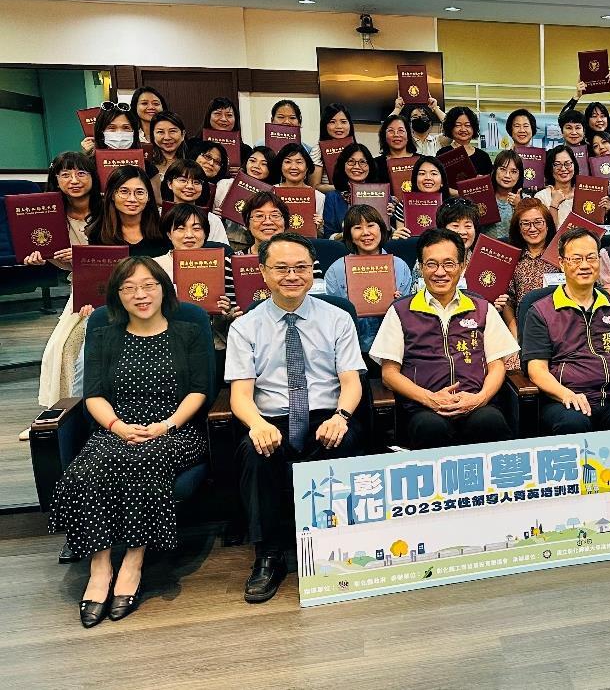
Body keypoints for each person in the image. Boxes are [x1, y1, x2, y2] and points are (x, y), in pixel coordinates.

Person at [49, 256, 209, 627]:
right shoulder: (104, 333)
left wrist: (166, 425)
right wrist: (118, 426)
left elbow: (200, 391)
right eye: (130, 288)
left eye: (149, 285)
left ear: (164, 289)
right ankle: (100, 567)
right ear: (117, 295)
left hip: (176, 430)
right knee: (85, 473)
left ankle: (133, 562)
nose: (141, 295)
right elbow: (93, 394)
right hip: (116, 428)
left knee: (144, 461)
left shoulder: (187, 331)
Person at [225, 231, 365, 603]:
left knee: (343, 442)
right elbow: (240, 395)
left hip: (326, 413)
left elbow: (351, 381)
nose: (292, 275)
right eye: (282, 268)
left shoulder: (337, 318)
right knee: (256, 454)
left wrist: (341, 415)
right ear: (263, 272)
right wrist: (257, 424)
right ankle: (269, 555)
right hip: (270, 417)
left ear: (312, 271)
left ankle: (334, 547)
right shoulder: (245, 327)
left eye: (301, 267)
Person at [522, 227, 610, 555]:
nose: (584, 264)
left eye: (591, 257)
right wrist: (563, 393)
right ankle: (579, 521)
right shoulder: (541, 310)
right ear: (561, 263)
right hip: (567, 400)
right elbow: (535, 368)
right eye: (576, 258)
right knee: (572, 424)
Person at [372, 228, 518, 448]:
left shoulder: (482, 308)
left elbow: (497, 365)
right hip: (422, 407)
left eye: (449, 264)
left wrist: (480, 398)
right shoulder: (401, 310)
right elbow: (389, 374)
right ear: (421, 268)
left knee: (489, 422)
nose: (440, 272)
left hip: (477, 403)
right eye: (431, 264)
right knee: (430, 428)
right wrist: (430, 399)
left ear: (462, 267)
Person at [26, 153, 101, 416]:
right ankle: (59, 413)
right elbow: (66, 265)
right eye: (66, 174)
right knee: (62, 346)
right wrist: (44, 258)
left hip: (107, 283)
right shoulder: (50, 214)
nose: (74, 180)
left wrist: (82, 253)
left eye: (81, 173)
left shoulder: (107, 208)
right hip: (79, 285)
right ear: (56, 179)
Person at [323, 204, 413, 352]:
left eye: (371, 225)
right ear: (349, 235)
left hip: (393, 347)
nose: (366, 233)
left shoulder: (399, 265)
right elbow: (330, 315)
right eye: (357, 228)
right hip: (349, 347)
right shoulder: (337, 269)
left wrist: (400, 304)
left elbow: (409, 315)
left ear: (381, 229)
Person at [153, 204, 241, 354]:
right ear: (169, 233)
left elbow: (224, 326)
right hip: (165, 346)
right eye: (180, 228)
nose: (189, 235)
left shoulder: (221, 264)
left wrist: (224, 314)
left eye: (196, 228)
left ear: (206, 234)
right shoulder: (153, 266)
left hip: (212, 346)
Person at [86, 165, 170, 258]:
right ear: (112, 195)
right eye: (124, 191)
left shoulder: (165, 230)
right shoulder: (97, 233)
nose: (132, 199)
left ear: (149, 197)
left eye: (139, 192)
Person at [504, 199, 559, 338]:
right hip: (524, 330)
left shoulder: (561, 256)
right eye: (526, 224)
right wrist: (516, 333)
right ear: (519, 228)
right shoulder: (511, 259)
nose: (532, 229)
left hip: (559, 328)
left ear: (547, 225)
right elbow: (508, 301)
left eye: (538, 222)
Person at [407, 198, 480, 294]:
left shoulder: (481, 261)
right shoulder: (428, 260)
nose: (462, 232)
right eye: (455, 226)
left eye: (468, 226)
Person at [211, 145, 275, 252]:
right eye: (253, 161)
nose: (256, 166)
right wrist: (215, 216)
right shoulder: (225, 184)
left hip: (253, 245)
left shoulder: (271, 194)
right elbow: (211, 214)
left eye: (264, 164)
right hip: (223, 240)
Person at [159, 159, 230, 246]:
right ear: (170, 184)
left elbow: (222, 253)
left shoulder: (213, 220)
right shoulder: (156, 215)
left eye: (196, 182)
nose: (190, 186)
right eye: (183, 180)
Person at [561, 71, 610, 150]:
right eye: (594, 116)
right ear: (587, 120)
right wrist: (577, 96)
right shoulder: (581, 142)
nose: (599, 120)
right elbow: (563, 119)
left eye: (603, 116)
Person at [323, 142, 382, 237]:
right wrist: (349, 235)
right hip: (343, 248)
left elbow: (389, 234)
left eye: (363, 162)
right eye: (351, 161)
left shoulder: (382, 194)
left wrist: (388, 217)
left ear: (370, 166)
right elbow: (329, 235)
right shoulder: (332, 197)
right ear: (343, 165)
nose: (357, 167)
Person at [261, 99, 323, 186]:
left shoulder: (307, 150)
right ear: (272, 120)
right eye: (281, 117)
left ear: (299, 122)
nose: (287, 122)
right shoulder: (261, 145)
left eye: (292, 118)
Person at [271, 142, 325, 235]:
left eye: (299, 162)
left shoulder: (318, 196)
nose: (294, 167)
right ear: (280, 166)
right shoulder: (271, 192)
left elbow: (320, 234)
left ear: (307, 167)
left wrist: (319, 226)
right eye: (288, 162)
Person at [390, 155, 450, 239]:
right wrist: (398, 237)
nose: (428, 178)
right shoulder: (403, 205)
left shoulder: (451, 206)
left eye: (433, 173)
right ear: (415, 180)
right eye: (422, 173)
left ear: (442, 182)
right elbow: (403, 239)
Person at [192, 96, 252, 164]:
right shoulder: (192, 144)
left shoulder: (246, 151)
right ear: (209, 117)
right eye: (218, 114)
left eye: (229, 115)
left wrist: (242, 171)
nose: (223, 119)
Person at [438, 106, 492, 176]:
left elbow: (489, 183)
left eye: (467, 125)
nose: (463, 129)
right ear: (450, 128)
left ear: (474, 128)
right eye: (458, 125)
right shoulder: (442, 153)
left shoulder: (483, 156)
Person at [483, 149, 524, 240]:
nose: (507, 175)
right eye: (503, 169)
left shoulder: (525, 200)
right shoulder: (484, 197)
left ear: (519, 175)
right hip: (486, 250)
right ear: (494, 171)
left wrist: (519, 206)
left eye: (513, 172)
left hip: (514, 250)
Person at [314, 103, 355, 190]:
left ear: (350, 125)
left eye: (343, 122)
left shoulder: (357, 149)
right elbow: (314, 186)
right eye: (332, 122)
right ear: (325, 125)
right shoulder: (318, 150)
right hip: (330, 199)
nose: (339, 127)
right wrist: (347, 188)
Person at [534, 145, 578, 225]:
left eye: (568, 164)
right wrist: (554, 203)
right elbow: (544, 230)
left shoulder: (583, 194)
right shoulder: (541, 197)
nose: (563, 169)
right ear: (550, 168)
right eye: (557, 165)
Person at [372, 114, 416, 186]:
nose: (396, 134)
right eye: (391, 131)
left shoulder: (421, 161)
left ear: (408, 135)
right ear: (384, 136)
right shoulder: (375, 164)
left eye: (401, 130)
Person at [148, 111, 188, 187]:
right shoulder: (146, 162)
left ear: (183, 134)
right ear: (152, 136)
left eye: (172, 131)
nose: (167, 137)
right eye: (160, 132)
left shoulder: (193, 159)